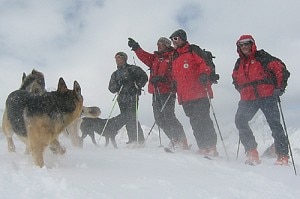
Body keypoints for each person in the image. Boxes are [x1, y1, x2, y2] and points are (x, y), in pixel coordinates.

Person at [232, 34, 289, 165]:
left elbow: (280, 69)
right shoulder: (239, 63)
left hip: (267, 95)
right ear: (238, 47)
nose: (244, 47)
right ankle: (252, 151)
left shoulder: (262, 57)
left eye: (247, 44)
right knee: (240, 120)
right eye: (241, 44)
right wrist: (241, 90)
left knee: (275, 125)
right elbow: (235, 78)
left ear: (252, 44)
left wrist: (280, 87)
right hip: (248, 97)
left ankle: (282, 156)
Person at [128, 37, 188, 149]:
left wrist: (164, 79)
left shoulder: (173, 56)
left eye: (160, 43)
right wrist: (136, 48)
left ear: (166, 44)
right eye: (157, 43)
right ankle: (174, 139)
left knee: (169, 115)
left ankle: (182, 140)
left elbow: (176, 72)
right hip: (156, 91)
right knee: (159, 119)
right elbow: (145, 56)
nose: (158, 45)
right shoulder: (155, 58)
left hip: (168, 91)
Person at [169, 29, 218, 156]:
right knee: (194, 121)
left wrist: (203, 73)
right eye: (172, 39)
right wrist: (174, 83)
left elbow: (203, 63)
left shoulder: (193, 50)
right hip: (185, 95)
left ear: (182, 38)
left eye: (175, 38)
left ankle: (212, 146)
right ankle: (203, 146)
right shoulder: (175, 56)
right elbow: (175, 74)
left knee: (204, 119)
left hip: (199, 91)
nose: (173, 41)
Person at [108, 52, 148, 146]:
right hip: (121, 98)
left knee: (131, 117)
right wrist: (118, 85)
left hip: (132, 96)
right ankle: (134, 139)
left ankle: (137, 140)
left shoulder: (132, 69)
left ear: (124, 58)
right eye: (116, 57)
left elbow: (144, 77)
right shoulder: (115, 74)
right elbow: (111, 88)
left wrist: (137, 85)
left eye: (119, 57)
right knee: (126, 117)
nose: (117, 59)